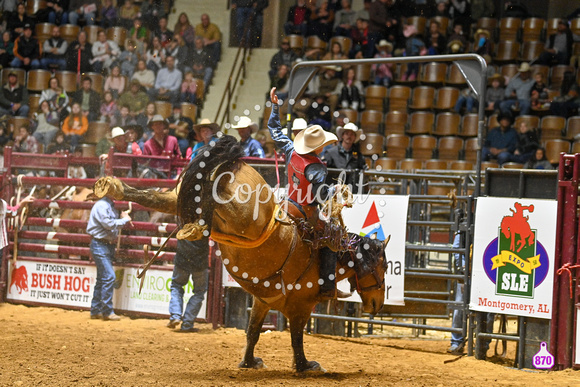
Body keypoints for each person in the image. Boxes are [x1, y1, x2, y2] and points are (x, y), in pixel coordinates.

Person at [268, 87, 348, 300]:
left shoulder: (290, 150)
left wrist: (275, 106)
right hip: (305, 212)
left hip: (286, 204)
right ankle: (327, 286)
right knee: (332, 237)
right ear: (319, 147)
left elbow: (274, 130)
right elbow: (321, 195)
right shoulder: (316, 166)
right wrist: (336, 189)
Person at [86, 196, 132, 321]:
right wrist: (124, 220)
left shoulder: (109, 205)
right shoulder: (103, 205)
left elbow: (109, 224)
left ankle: (96, 309)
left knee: (102, 278)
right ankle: (107, 311)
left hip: (103, 244)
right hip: (100, 244)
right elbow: (108, 224)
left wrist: (121, 219)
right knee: (109, 276)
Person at [167, 239, 209, 333]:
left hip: (182, 260)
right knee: (199, 292)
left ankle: (175, 316)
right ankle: (187, 324)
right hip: (200, 262)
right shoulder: (207, 224)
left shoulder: (182, 223)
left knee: (176, 286)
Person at [322, 122, 366, 191]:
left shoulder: (359, 156)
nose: (349, 136)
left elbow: (362, 169)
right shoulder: (330, 153)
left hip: (351, 191)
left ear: (355, 138)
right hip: (333, 190)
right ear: (342, 136)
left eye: (352, 134)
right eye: (347, 134)